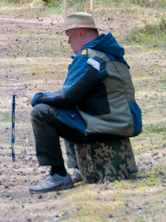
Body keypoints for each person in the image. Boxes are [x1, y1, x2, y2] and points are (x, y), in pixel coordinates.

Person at [27, 12, 138, 193]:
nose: (69, 42)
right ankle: (78, 168)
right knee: (66, 111)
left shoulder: (89, 57)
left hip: (107, 125)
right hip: (120, 121)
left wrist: (37, 98)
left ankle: (58, 175)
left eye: (69, 36)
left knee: (41, 112)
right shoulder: (108, 53)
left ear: (80, 33)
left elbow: (67, 98)